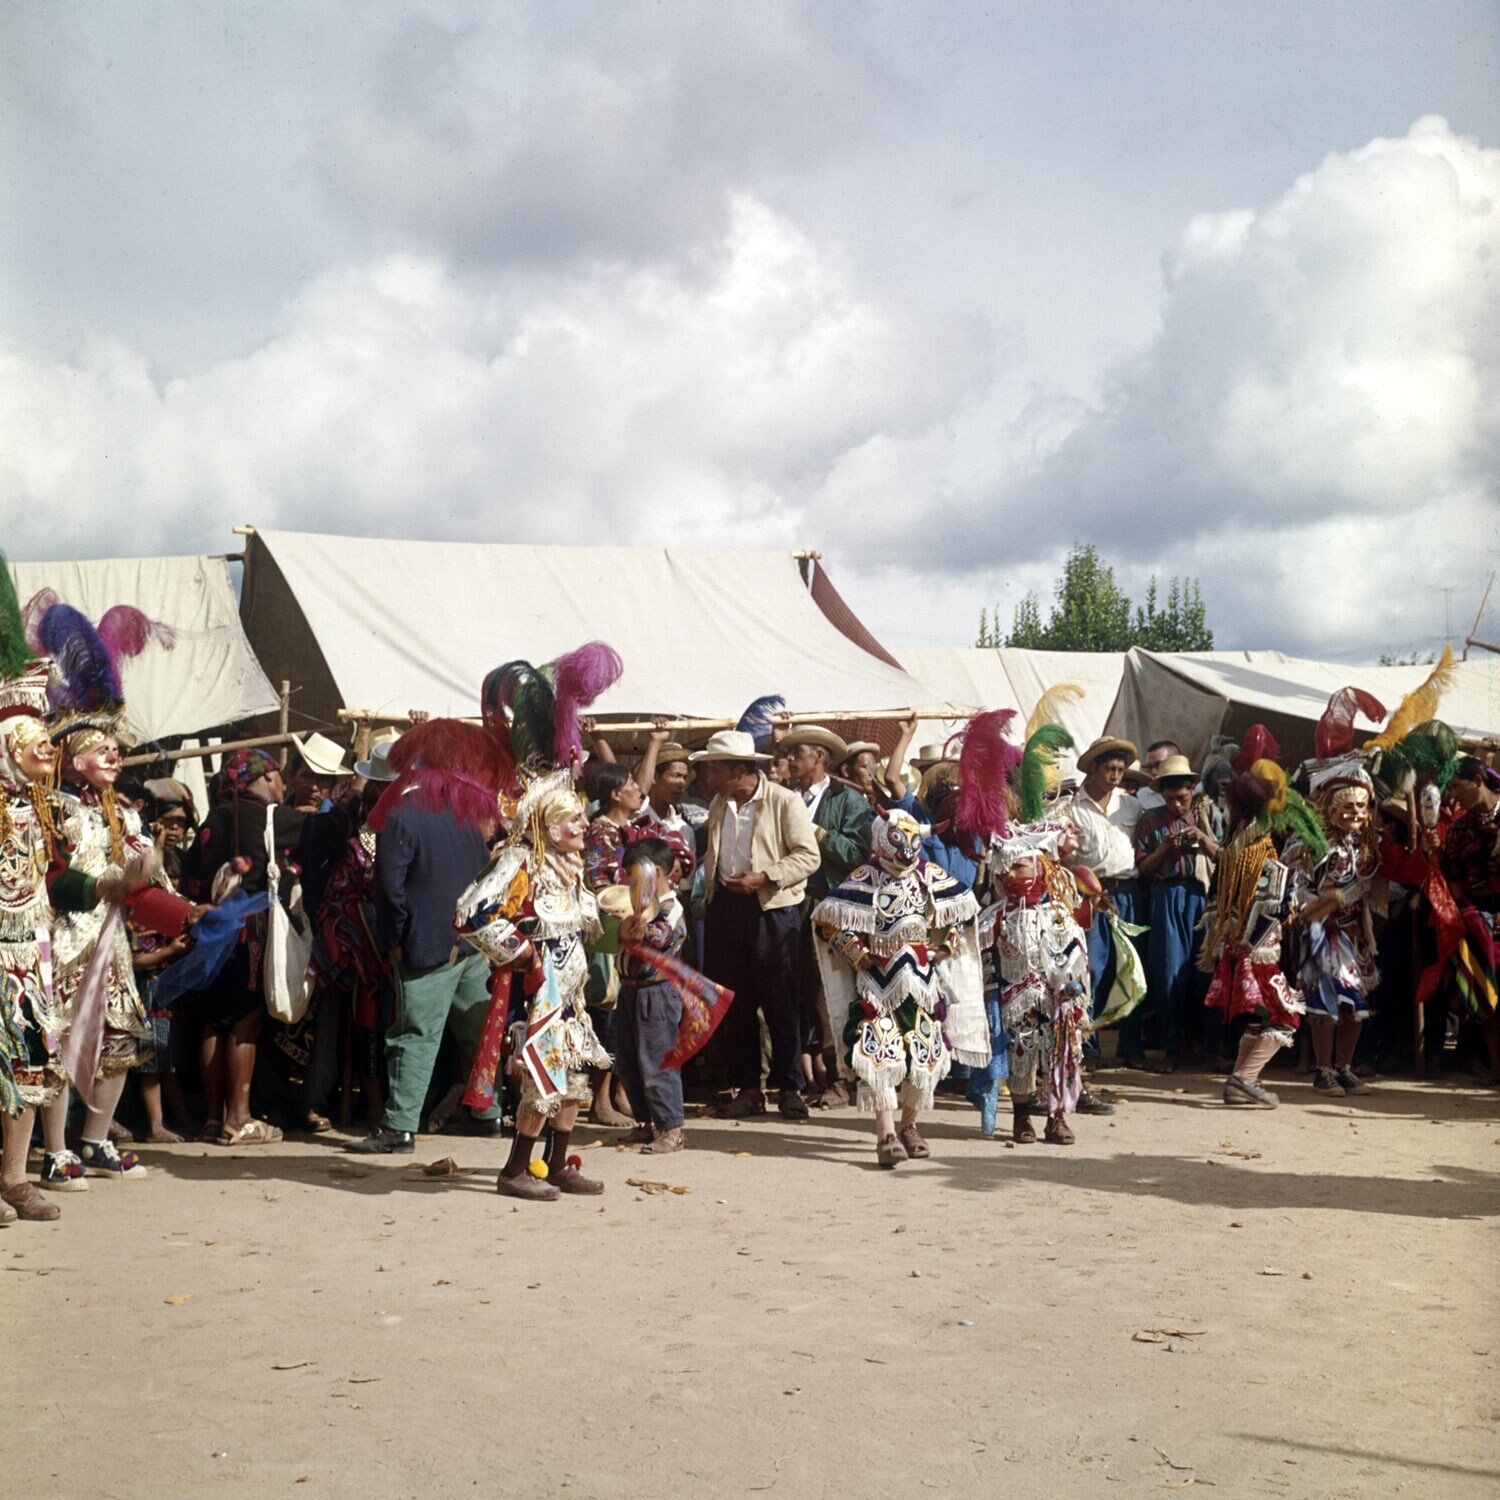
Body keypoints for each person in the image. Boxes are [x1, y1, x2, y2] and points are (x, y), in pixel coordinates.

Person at [349, 734, 500, 1154]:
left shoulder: (399, 815)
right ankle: (488, 1114)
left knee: (414, 1035)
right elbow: (482, 870)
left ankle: (398, 1126)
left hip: (426, 944)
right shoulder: (458, 809)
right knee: (477, 1031)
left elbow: (388, 888)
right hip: (468, 941)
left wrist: (395, 937)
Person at [813, 809, 986, 1166]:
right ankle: (886, 1134)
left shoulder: (929, 876)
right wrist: (858, 954)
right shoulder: (865, 877)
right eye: (897, 839)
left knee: (925, 1054)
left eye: (912, 840)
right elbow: (827, 923)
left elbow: (964, 913)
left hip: (923, 983)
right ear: (881, 839)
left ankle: (909, 1126)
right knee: (879, 1052)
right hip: (877, 983)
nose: (906, 850)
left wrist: (946, 947)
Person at [695, 729, 821, 1118]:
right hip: (727, 909)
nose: (709, 779)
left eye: (715, 770)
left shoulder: (783, 801)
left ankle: (790, 1088)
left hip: (773, 910)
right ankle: (749, 1089)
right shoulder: (719, 804)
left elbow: (808, 856)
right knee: (737, 1003)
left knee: (781, 1001)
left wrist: (766, 877)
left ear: (739, 771)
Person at [1200, 729, 1322, 1108]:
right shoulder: (1263, 852)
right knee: (1285, 1018)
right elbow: (1274, 909)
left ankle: (1240, 1084)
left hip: (1235, 947)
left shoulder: (1235, 845)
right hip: (1257, 952)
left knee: (1257, 1019)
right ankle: (1244, 1078)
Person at [782, 724, 872, 1107]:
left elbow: (857, 854)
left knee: (832, 991)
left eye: (796, 754)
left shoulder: (849, 800)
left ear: (819, 757)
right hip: (789, 905)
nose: (789, 760)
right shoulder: (785, 797)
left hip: (832, 906)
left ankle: (842, 1077)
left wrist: (816, 833)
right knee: (797, 990)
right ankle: (803, 1077)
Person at [983, 827, 1091, 1144]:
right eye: (1006, 868)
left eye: (1018, 867)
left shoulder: (1058, 914)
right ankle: (1021, 1117)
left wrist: (1069, 986)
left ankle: (1056, 1118)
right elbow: (984, 959)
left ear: (1039, 869)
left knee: (1057, 1055)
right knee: (1020, 1056)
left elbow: (1075, 953)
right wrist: (988, 1000)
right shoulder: (995, 917)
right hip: (1013, 1001)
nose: (1009, 873)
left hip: (1055, 1000)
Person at [1286, 758, 1383, 1097]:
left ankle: (1344, 1067)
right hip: (1320, 934)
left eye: (1361, 806)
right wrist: (1321, 911)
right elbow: (1295, 887)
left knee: (1354, 1004)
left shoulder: (1367, 846)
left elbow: (1372, 889)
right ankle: (1323, 1071)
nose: (1356, 812)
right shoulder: (1310, 844)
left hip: (1354, 935)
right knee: (1323, 1004)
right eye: (1348, 806)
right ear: (1330, 808)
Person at [1128, 754, 1217, 1071]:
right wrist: (1165, 848)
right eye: (1170, 799)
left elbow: (1225, 856)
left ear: (1193, 790)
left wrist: (1203, 839)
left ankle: (1208, 1047)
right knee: (1168, 974)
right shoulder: (1150, 821)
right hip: (1166, 896)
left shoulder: (1209, 816)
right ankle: (1170, 1047)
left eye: (1182, 798)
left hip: (1202, 896)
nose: (1177, 805)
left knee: (1205, 974)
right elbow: (1143, 869)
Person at [1061, 737, 1144, 1061]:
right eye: (1109, 768)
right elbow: (1065, 858)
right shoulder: (1071, 807)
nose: (1115, 775)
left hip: (1127, 892)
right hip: (1089, 895)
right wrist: (1084, 891)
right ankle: (1088, 1046)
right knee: (1091, 968)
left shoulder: (1130, 805)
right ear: (1093, 768)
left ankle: (1131, 1047)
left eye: (1121, 769)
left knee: (1131, 969)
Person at [614, 836, 693, 1153]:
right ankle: (646, 1122)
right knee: (629, 1061)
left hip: (657, 994)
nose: (630, 884)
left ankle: (671, 1127)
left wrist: (632, 927)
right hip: (629, 990)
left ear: (657, 873)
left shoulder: (671, 908)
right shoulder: (637, 907)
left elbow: (660, 937)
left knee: (657, 1061)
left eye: (635, 876)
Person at [1439, 756, 1500, 1083]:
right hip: (1478, 922)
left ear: (1478, 781)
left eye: (1456, 786)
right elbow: (1454, 879)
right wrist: (1470, 913)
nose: (1452, 794)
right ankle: (1496, 1066)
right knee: (1485, 992)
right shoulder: (1459, 829)